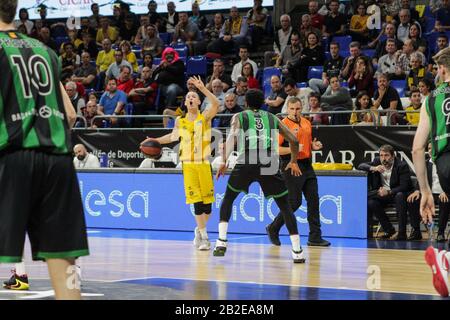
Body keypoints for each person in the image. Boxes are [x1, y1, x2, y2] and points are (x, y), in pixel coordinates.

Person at [0, 0, 88, 300]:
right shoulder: (46, 51)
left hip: (12, 157)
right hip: (58, 162)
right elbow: (71, 114)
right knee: (64, 261)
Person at [214, 91, 305, 263]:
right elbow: (293, 140)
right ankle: (297, 251)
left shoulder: (239, 116)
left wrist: (223, 161)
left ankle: (221, 242)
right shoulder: (273, 118)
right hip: (268, 162)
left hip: (246, 161)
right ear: (263, 103)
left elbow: (232, 137)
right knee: (285, 207)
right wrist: (293, 161)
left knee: (228, 199)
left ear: (246, 103)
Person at [141, 77, 220, 251]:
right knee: (197, 202)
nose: (191, 98)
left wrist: (202, 88)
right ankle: (205, 238)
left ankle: (199, 230)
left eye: (194, 96)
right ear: (185, 102)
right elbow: (172, 137)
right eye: (188, 97)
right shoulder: (180, 121)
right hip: (188, 164)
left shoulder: (204, 117)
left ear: (199, 101)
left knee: (208, 207)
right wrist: (156, 140)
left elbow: (216, 104)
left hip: (204, 163)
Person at [266, 97, 331, 247]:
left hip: (307, 165)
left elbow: (306, 143)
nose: (295, 112)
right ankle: (273, 228)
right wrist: (293, 148)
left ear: (302, 108)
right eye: (292, 109)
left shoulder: (307, 122)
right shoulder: (283, 125)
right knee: (294, 202)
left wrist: (312, 146)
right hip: (290, 164)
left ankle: (315, 237)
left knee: (314, 201)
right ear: (287, 109)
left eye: (298, 109)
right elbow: (276, 149)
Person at [412, 46, 450, 297]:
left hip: (445, 164)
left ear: (443, 69)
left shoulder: (431, 98)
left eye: (437, 68)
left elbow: (417, 148)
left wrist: (425, 191)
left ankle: (445, 263)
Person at [358, 145, 413, 240]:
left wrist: (389, 192)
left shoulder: (401, 165)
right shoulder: (377, 162)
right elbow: (360, 166)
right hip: (382, 194)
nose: (384, 158)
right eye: (381, 155)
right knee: (371, 202)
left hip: (396, 194)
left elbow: (405, 186)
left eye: (386, 155)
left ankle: (402, 233)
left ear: (393, 156)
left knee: (400, 196)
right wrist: (373, 168)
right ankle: (389, 230)